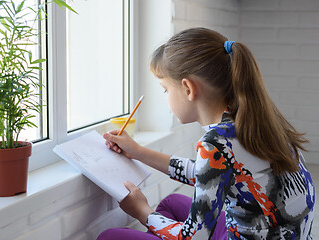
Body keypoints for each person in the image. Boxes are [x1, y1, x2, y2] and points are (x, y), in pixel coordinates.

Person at [97, 27, 315, 239]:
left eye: (166, 89)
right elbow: (208, 173)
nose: (166, 97)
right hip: (278, 232)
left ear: (188, 88)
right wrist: (138, 152)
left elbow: (195, 237)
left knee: (110, 236)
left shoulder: (215, 143)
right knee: (171, 203)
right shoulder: (252, 123)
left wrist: (142, 212)